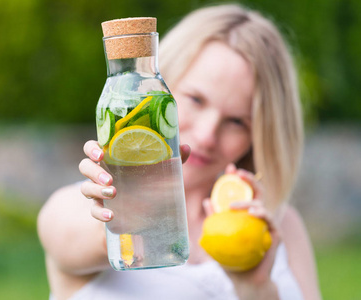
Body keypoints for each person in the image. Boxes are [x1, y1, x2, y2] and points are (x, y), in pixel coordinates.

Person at [38, 4, 322, 300]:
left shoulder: (280, 225)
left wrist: (255, 288)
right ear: (159, 84)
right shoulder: (75, 209)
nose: (206, 134)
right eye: (196, 100)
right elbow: (70, 241)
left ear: (261, 134)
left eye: (237, 121)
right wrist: (124, 217)